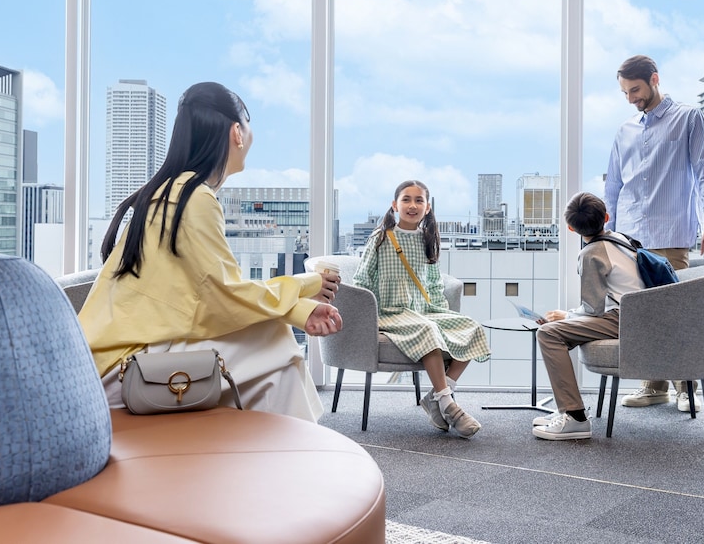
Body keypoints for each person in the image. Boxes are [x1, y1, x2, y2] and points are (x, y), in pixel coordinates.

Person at [79, 81, 343, 422]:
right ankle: (299, 458)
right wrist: (306, 286)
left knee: (272, 351)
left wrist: (297, 310)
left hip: (107, 362)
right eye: (248, 123)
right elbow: (224, 298)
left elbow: (204, 299)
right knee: (275, 345)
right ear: (237, 132)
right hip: (125, 369)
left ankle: (287, 455)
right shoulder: (194, 197)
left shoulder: (168, 191)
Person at [604, 54, 704, 414]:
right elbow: (613, 186)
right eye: (625, 93)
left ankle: (686, 388)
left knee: (673, 314)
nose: (631, 99)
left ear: (655, 79)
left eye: (635, 90)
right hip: (629, 239)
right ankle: (653, 386)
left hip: (670, 236)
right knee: (640, 316)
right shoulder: (625, 130)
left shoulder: (688, 118)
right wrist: (606, 235)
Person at [354, 180, 491, 438]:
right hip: (391, 312)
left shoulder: (429, 240)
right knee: (428, 330)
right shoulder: (381, 238)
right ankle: (449, 404)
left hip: (424, 310)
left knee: (472, 328)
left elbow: (434, 284)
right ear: (395, 205)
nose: (412, 205)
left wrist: (443, 314)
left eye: (419, 200)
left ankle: (437, 397)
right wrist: (367, 317)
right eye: (406, 199)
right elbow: (361, 280)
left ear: (427, 208)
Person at [532, 192, 645, 441]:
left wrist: (566, 315)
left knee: (548, 333)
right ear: (606, 217)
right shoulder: (621, 240)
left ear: (571, 229)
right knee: (558, 331)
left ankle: (575, 417)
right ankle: (567, 409)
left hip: (623, 319)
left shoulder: (593, 252)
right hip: (640, 315)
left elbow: (592, 309)